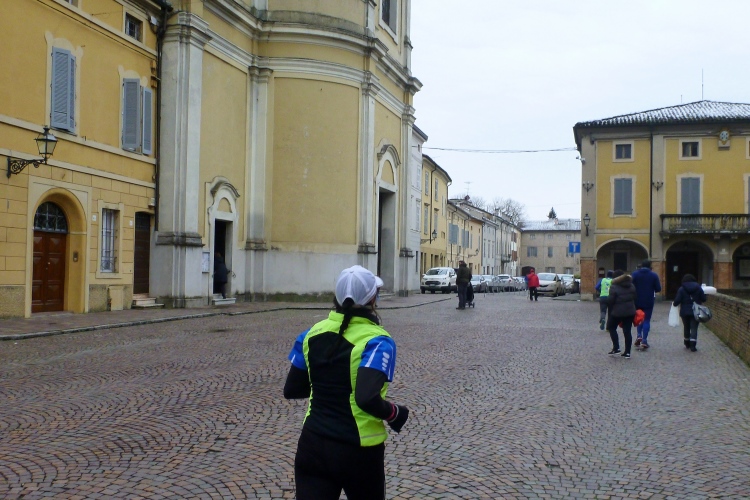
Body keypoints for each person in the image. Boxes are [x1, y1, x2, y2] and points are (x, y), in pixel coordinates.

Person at [283, 265, 409, 499]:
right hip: (359, 450)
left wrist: (327, 382)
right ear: (373, 299)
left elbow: (292, 389)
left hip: (313, 443)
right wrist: (395, 413)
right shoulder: (378, 341)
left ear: (337, 298)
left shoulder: (310, 334)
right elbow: (366, 398)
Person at [606, 269, 637, 359]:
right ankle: (627, 352)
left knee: (611, 327)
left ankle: (616, 347)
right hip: (630, 311)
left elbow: (610, 300)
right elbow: (635, 297)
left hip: (617, 312)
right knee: (627, 331)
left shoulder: (614, 287)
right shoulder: (631, 285)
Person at [631, 259, 662, 349]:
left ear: (641, 265)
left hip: (637, 300)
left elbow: (630, 286)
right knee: (647, 320)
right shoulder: (654, 275)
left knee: (639, 318)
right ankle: (644, 340)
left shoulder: (635, 274)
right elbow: (658, 289)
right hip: (648, 300)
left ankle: (639, 335)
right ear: (650, 266)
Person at [672, 274, 707, 352]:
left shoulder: (681, 289)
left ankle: (687, 342)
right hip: (696, 311)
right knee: (694, 327)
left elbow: (677, 301)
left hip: (684, 311)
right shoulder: (698, 288)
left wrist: (674, 304)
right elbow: (704, 299)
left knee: (686, 327)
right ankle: (693, 345)